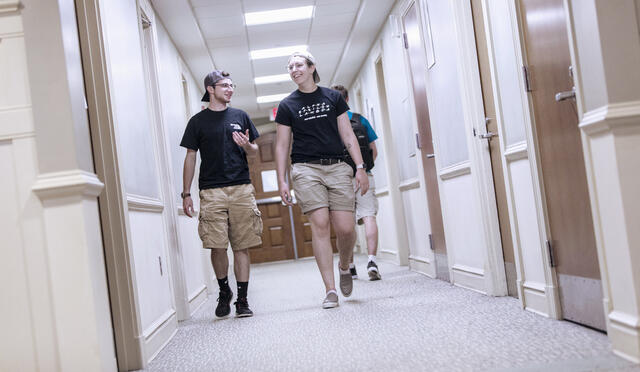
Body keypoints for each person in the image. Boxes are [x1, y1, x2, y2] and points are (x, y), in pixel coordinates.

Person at [274, 51, 369, 309]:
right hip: (305, 169)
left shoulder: (333, 97)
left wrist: (360, 168)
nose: (294, 69)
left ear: (312, 67)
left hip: (337, 166)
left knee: (347, 229)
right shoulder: (287, 105)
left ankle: (345, 265)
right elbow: (282, 146)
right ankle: (330, 290)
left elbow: (347, 134)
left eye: (299, 65)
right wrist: (282, 181)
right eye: (290, 67)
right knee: (320, 224)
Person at [180, 70, 262, 318]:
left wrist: (247, 145)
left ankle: (243, 300)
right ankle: (224, 291)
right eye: (224, 85)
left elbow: (255, 150)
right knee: (217, 246)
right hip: (211, 191)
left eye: (231, 85)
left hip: (241, 188)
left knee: (242, 245)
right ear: (211, 89)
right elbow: (191, 156)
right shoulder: (197, 122)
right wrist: (186, 193)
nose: (230, 89)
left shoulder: (241, 116)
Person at [331, 85, 382, 281]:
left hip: (340, 178)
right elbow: (373, 150)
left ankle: (350, 265)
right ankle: (372, 260)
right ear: (348, 99)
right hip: (364, 175)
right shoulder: (360, 119)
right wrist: (364, 169)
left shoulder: (331, 123)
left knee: (346, 223)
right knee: (369, 216)